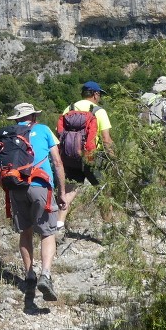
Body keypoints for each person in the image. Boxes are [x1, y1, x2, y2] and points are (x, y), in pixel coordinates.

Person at [3, 102, 66, 302]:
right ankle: (45, 275)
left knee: (26, 232)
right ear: (34, 117)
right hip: (40, 185)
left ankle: (29, 275)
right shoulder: (44, 130)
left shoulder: (8, 135)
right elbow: (57, 162)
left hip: (16, 187)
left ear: (17, 119)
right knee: (48, 232)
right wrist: (62, 192)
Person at [59, 81, 114, 228]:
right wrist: (113, 157)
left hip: (70, 157)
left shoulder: (68, 109)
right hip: (91, 158)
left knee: (70, 191)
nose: (100, 97)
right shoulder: (98, 111)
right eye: (99, 94)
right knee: (104, 192)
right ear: (95, 94)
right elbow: (106, 139)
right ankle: (108, 229)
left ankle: (59, 224)